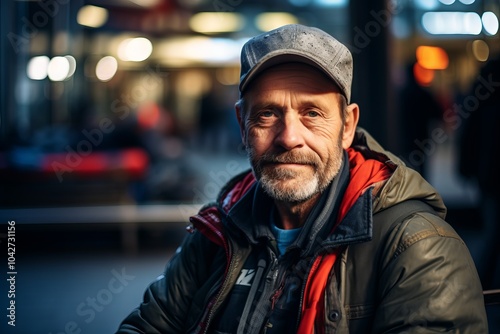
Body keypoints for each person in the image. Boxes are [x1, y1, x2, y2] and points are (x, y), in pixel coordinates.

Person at [117, 24, 487, 333]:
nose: (289, 137)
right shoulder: (217, 232)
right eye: (266, 114)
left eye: (312, 113)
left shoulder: (417, 248)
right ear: (242, 127)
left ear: (347, 127)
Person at [458, 54, 500, 290]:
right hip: (492, 177)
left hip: (486, 178)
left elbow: (469, 140)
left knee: (492, 230)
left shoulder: (480, 101)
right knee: (493, 233)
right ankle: (479, 285)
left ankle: (481, 282)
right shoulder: (491, 106)